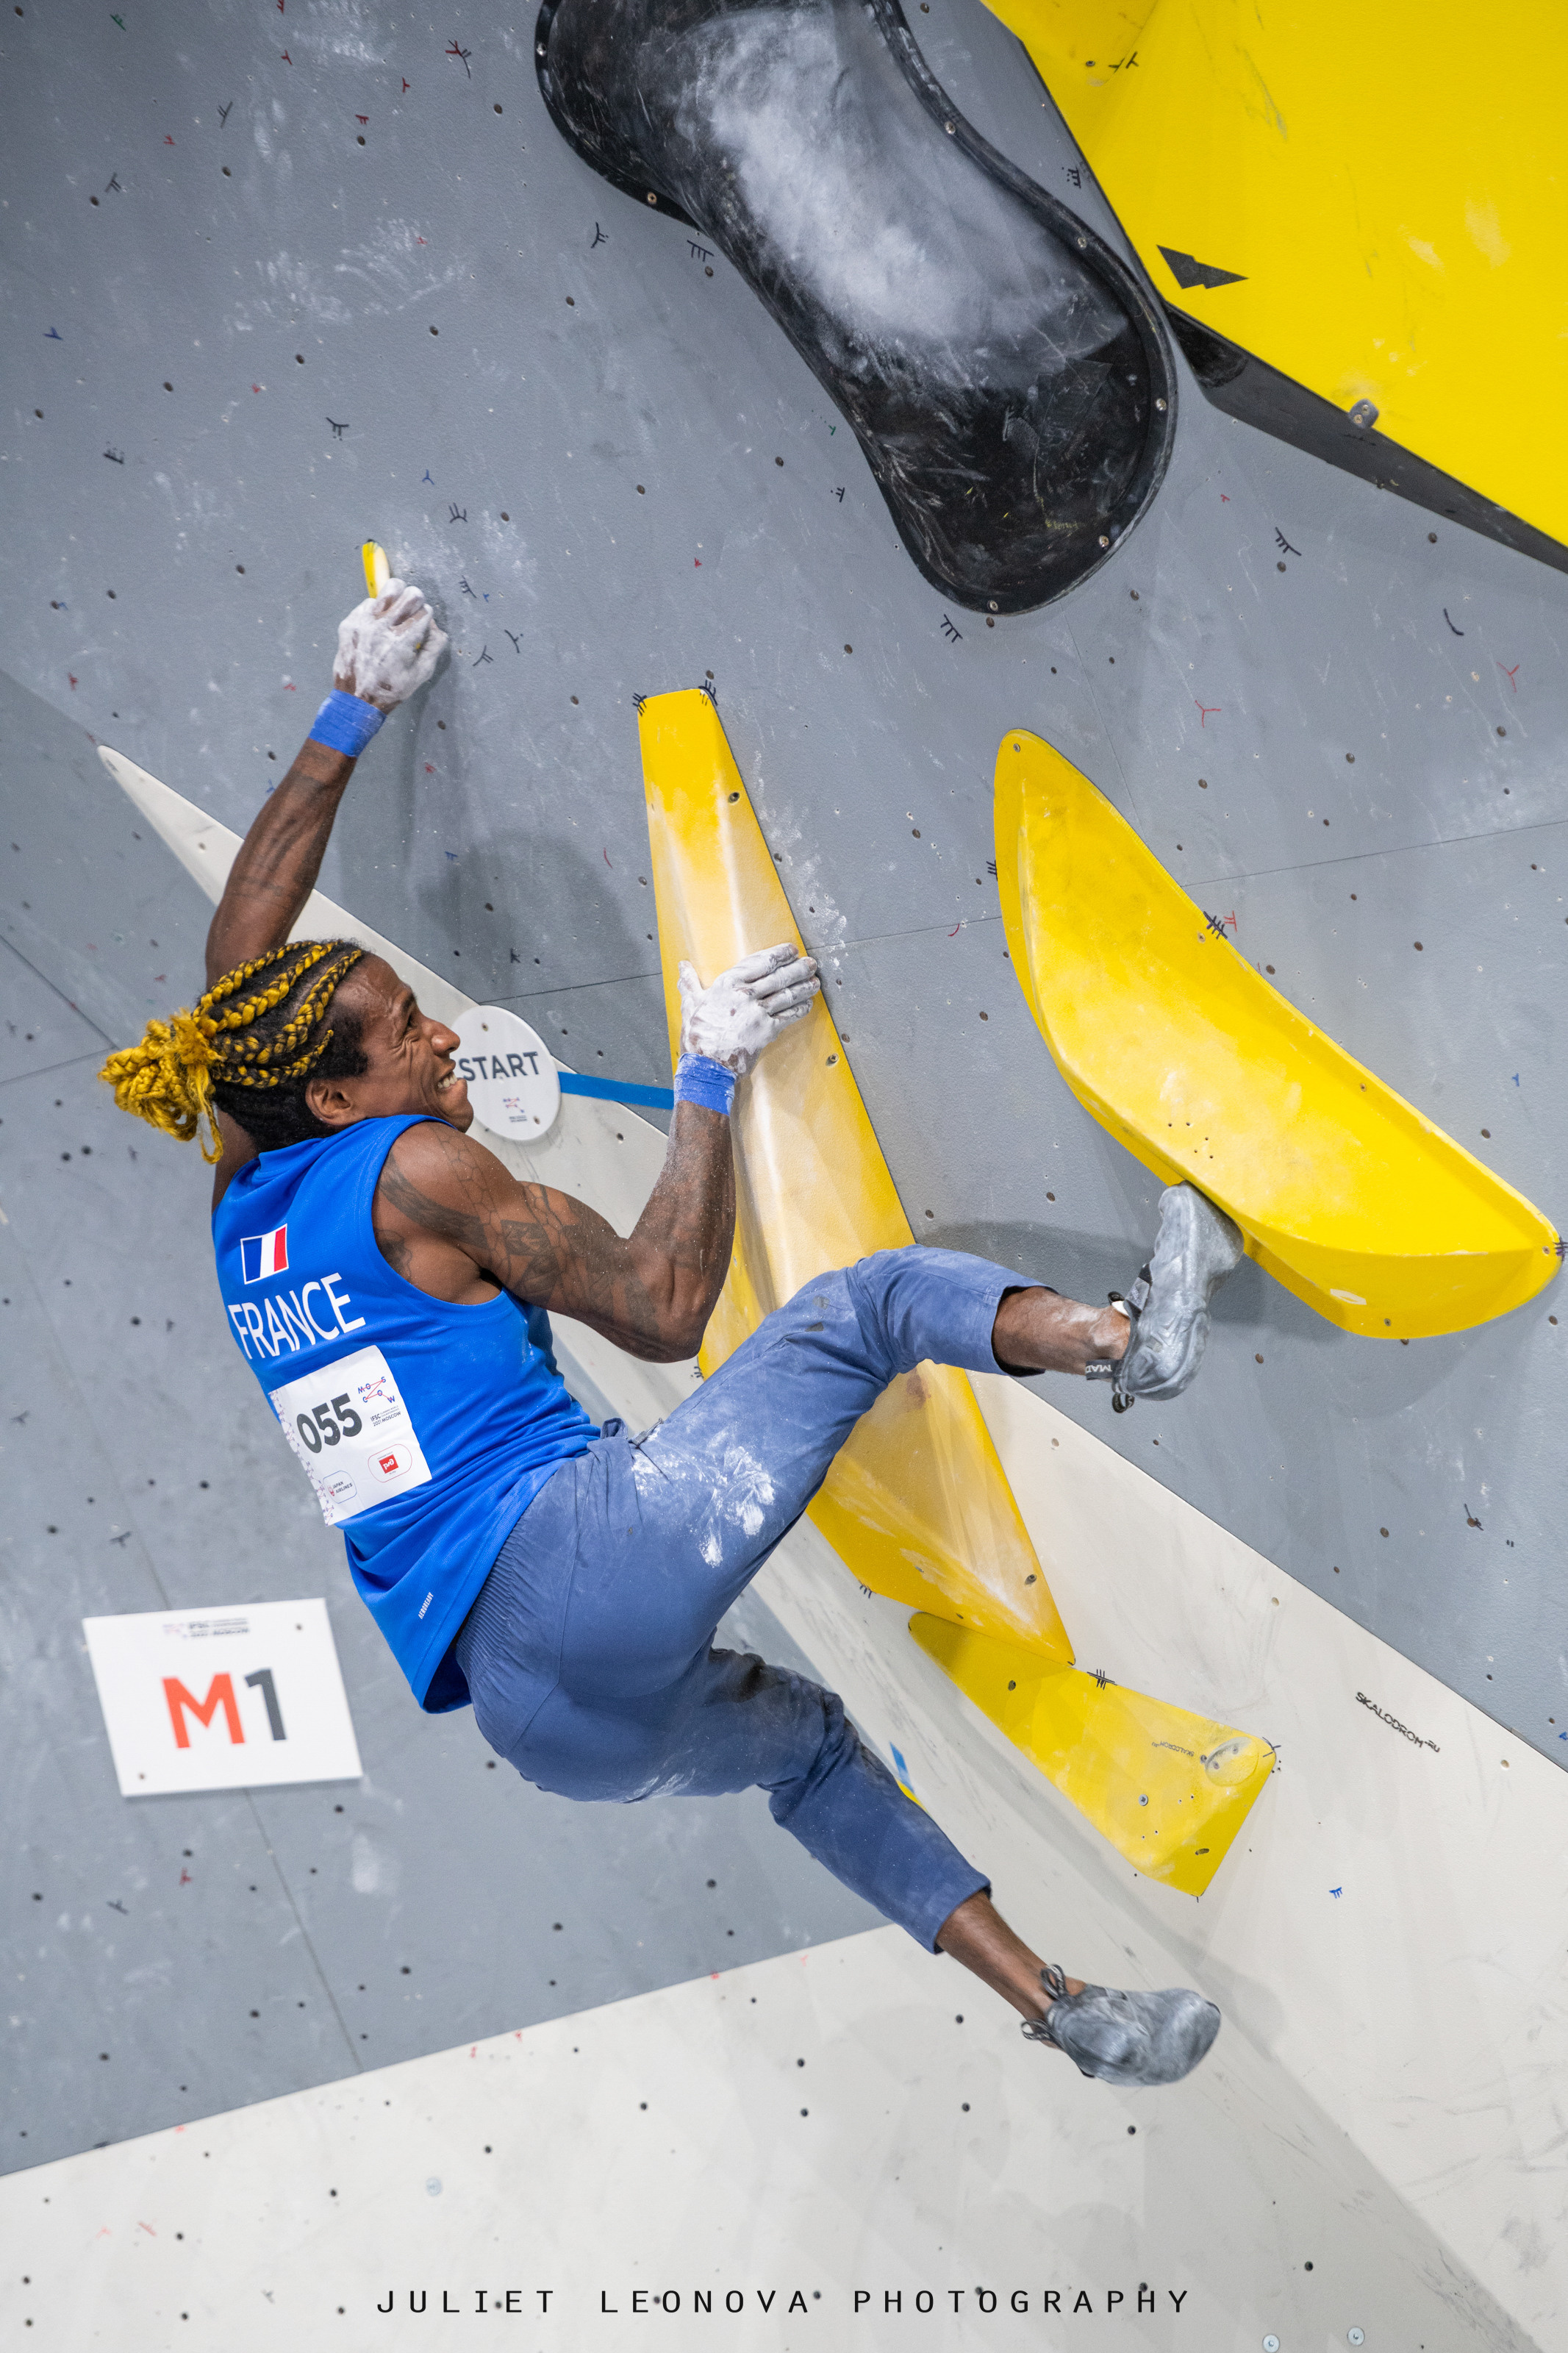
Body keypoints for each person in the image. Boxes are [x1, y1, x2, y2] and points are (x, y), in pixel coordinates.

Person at [102, 578, 1242, 2090]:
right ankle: (1129, 1339)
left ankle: (1065, 2012)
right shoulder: (414, 1170)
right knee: (870, 1303)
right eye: (404, 1034)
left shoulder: (240, 1189)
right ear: (331, 1099)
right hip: (582, 1558)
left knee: (814, 1750)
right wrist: (705, 1073)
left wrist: (347, 710)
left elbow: (236, 961)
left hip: (536, 1717)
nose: (440, 1033)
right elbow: (657, 1303)